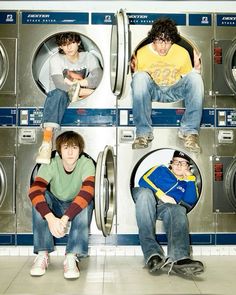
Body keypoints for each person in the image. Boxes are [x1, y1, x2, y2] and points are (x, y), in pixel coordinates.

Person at [29, 131, 95, 279]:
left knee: (86, 200)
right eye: (66, 148)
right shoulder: (51, 163)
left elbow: (87, 191)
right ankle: (42, 254)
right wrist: (51, 218)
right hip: (55, 205)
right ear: (59, 150)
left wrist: (64, 219)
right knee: (40, 197)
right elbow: (34, 190)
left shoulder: (86, 163)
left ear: (80, 150)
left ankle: (72, 256)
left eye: (74, 147)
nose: (70, 152)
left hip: (75, 206)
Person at [131, 18, 203, 153]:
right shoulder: (142, 53)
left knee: (195, 77)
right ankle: (143, 133)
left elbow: (188, 81)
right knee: (139, 77)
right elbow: (140, 85)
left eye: (167, 41)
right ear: (153, 39)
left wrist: (196, 70)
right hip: (154, 91)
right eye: (159, 41)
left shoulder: (181, 52)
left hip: (174, 90)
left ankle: (189, 132)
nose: (163, 47)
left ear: (172, 41)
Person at [132, 150, 204, 276]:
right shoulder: (160, 169)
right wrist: (161, 194)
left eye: (183, 163)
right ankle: (152, 254)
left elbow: (190, 200)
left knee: (178, 209)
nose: (179, 165)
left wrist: (191, 178)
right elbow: (143, 180)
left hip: (162, 209)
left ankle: (179, 258)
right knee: (145, 194)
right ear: (171, 163)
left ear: (188, 167)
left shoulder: (186, 184)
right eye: (176, 162)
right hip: (144, 198)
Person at [36, 32, 103, 164]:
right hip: (60, 99)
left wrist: (77, 86)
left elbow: (98, 78)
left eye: (71, 43)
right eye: (64, 45)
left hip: (82, 99)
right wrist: (86, 90)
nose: (69, 48)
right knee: (58, 93)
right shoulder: (55, 59)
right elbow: (60, 84)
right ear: (60, 46)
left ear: (78, 42)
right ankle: (46, 143)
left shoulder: (88, 57)